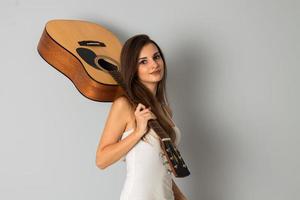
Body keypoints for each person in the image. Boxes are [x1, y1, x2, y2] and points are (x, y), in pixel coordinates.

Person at [95, 34, 187, 200]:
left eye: (156, 57)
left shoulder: (165, 110)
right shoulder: (124, 105)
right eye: (143, 61)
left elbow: (161, 170)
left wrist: (181, 196)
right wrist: (138, 132)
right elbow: (102, 159)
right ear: (133, 69)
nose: (154, 64)